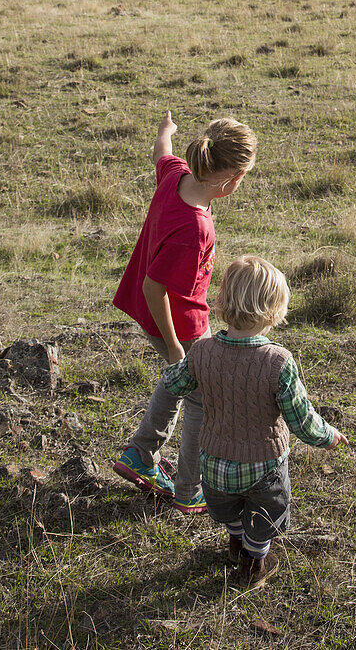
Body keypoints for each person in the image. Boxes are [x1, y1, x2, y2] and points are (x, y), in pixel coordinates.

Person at [162, 255, 348, 586]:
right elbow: (302, 420)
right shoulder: (278, 362)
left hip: (215, 466)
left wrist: (191, 362)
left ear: (222, 302)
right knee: (264, 519)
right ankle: (253, 562)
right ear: (274, 311)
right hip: (264, 468)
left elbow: (173, 384)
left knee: (229, 510)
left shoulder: (203, 352)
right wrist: (328, 435)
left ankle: (236, 541)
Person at [111, 112, 258, 513]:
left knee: (181, 383)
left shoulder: (176, 174)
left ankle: (142, 452)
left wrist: (165, 131)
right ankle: (188, 488)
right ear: (232, 181)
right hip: (180, 323)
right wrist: (177, 348)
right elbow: (153, 287)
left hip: (157, 316)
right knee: (201, 400)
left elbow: (162, 152)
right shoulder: (195, 228)